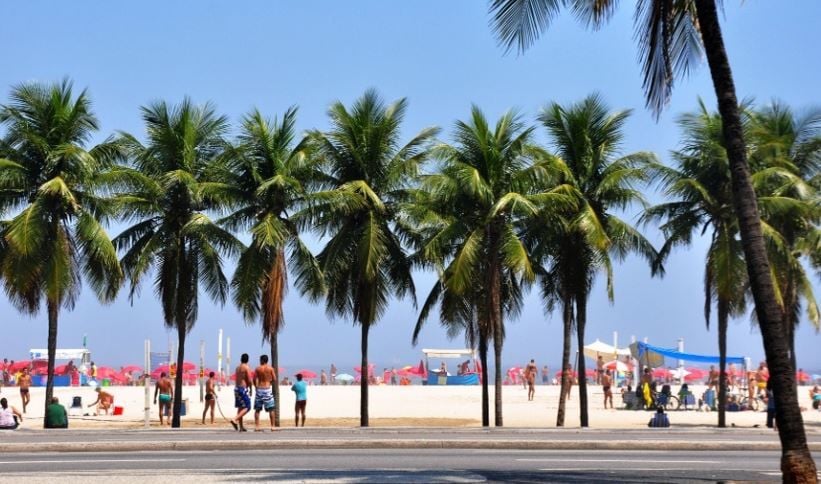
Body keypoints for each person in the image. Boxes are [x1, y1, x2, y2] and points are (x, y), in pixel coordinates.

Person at [253, 354, 276, 432]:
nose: (259, 361)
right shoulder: (270, 368)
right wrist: (270, 383)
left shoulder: (257, 369)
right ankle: (272, 426)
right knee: (271, 409)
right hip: (267, 389)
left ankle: (257, 426)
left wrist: (256, 386)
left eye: (260, 360)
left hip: (259, 389)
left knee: (257, 409)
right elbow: (274, 379)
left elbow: (254, 378)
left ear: (262, 360)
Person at [231, 353, 253, 432]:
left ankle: (241, 427)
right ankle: (234, 419)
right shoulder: (246, 367)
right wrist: (251, 389)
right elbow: (249, 380)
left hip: (236, 388)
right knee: (247, 407)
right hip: (242, 389)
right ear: (247, 360)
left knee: (241, 407)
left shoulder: (237, 368)